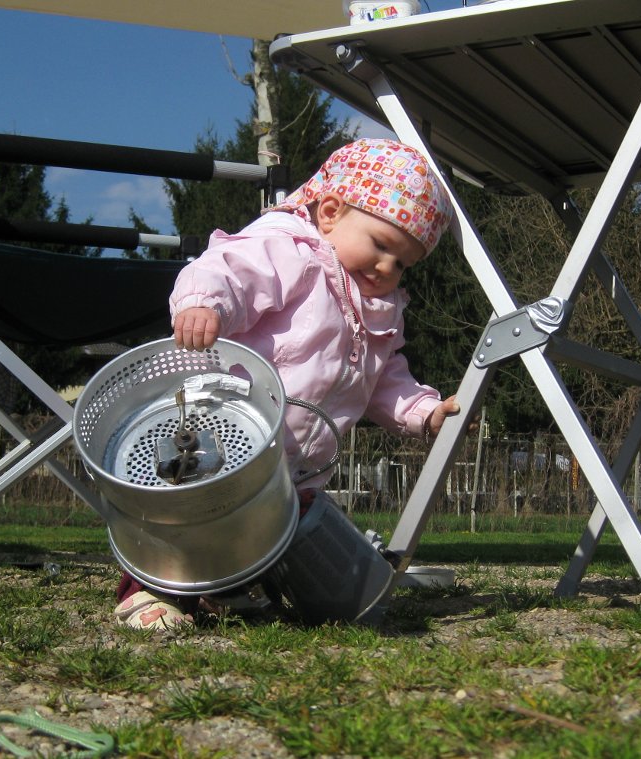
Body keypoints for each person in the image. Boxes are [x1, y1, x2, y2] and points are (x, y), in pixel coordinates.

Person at [114, 137, 461, 630]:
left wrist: (422, 410)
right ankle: (150, 591)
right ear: (330, 213)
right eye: (381, 246)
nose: (387, 267)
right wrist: (202, 302)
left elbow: (384, 378)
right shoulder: (290, 251)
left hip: (297, 465)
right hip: (227, 433)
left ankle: (225, 588)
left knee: (270, 529)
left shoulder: (380, 312)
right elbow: (229, 270)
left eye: (403, 263)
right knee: (193, 517)